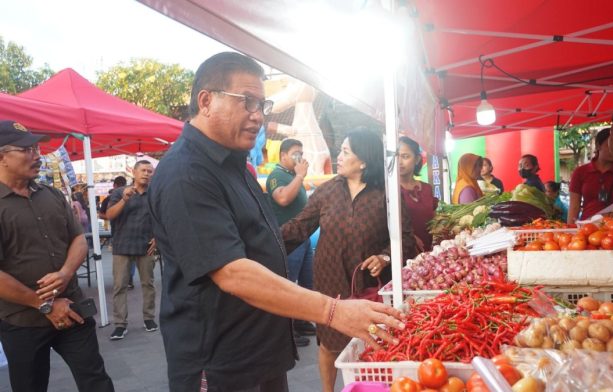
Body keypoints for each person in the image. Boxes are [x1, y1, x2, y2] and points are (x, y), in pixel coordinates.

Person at [146, 52, 406, 392]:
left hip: (261, 353)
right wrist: (332, 311)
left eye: (262, 105)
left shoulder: (233, 165)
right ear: (206, 101)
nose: (257, 116)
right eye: (247, 102)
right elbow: (232, 272)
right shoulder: (186, 173)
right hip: (221, 363)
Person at [282, 128, 417, 392]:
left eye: (345, 151)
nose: (338, 156)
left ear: (364, 160)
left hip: (368, 286)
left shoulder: (386, 194)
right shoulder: (327, 191)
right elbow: (298, 228)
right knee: (329, 344)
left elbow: (406, 238)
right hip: (329, 280)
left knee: (371, 345)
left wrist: (385, 256)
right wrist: (262, 244)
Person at [0, 120, 114, 392]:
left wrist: (65, 273)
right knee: (30, 386)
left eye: (37, 148)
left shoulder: (50, 194)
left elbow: (78, 239)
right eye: (26, 149)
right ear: (2, 156)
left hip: (72, 309)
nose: (37, 155)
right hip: (23, 321)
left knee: (96, 382)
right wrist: (45, 305)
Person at [266, 138, 315, 346]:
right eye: (295, 154)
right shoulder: (277, 175)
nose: (299, 158)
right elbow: (283, 198)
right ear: (283, 155)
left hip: (302, 239)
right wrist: (300, 176)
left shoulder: (292, 175)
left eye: (301, 154)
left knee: (306, 283)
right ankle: (286, 330)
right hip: (288, 240)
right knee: (288, 283)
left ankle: (300, 320)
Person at [105, 160, 158, 340]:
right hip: (122, 245)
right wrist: (124, 199)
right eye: (143, 170)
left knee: (148, 284)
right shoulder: (120, 192)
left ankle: (149, 318)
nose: (146, 174)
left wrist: (157, 237)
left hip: (146, 246)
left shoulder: (154, 194)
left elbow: (162, 217)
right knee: (119, 286)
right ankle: (120, 324)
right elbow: (110, 215)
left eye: (150, 171)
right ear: (133, 173)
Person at [568, 128, 613, 223]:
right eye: (609, 145)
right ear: (598, 146)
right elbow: (574, 206)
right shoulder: (580, 172)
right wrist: (570, 229)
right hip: (587, 226)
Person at [399, 136, 438, 251]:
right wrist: (411, 237)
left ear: (417, 159)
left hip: (428, 251)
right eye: (396, 156)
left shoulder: (426, 188)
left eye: (405, 156)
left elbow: (433, 219)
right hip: (402, 251)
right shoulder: (388, 191)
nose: (399, 162)